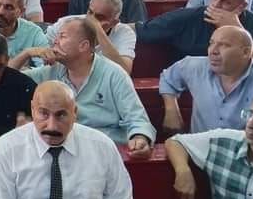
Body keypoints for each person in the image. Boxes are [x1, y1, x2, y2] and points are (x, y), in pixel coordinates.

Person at [0, 81, 133, 199]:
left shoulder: (102, 147)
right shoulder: (6, 150)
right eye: (44, 113)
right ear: (32, 109)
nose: (52, 126)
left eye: (61, 115)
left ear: (74, 112)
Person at [25, 17, 156, 148]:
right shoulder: (50, 71)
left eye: (62, 37)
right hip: (61, 146)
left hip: (105, 147)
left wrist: (140, 138)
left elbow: (137, 120)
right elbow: (13, 80)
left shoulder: (113, 74)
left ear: (83, 46)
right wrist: (26, 53)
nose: (55, 41)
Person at [165, 93, 253, 199]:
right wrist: (182, 170)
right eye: (250, 114)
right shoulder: (222, 143)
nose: (251, 124)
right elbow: (175, 141)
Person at [137, 0, 253, 66]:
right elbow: (140, 30)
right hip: (186, 87)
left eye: (225, 2)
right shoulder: (187, 17)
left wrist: (238, 30)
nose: (216, 5)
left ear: (242, 6)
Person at [160, 26, 253, 134]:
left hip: (243, 145)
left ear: (245, 52)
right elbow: (167, 78)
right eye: (211, 43)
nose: (213, 51)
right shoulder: (195, 67)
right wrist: (171, 110)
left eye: (224, 45)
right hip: (198, 144)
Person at [51, 0, 137, 73]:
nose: (91, 19)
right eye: (90, 12)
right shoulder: (65, 23)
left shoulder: (124, 32)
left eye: (100, 17)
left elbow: (124, 71)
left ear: (114, 22)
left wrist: (98, 30)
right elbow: (45, 52)